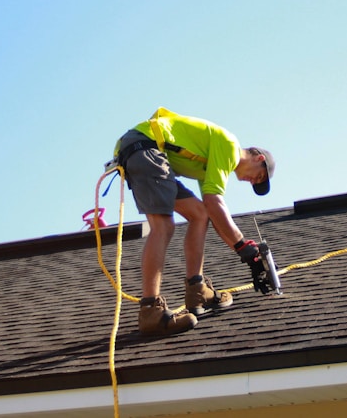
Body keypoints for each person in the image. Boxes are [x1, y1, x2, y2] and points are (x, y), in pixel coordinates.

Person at [113, 107, 276, 336]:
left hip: (147, 152)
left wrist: (243, 249)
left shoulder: (211, 163)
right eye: (258, 176)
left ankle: (197, 289)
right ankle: (150, 311)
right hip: (145, 148)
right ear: (259, 158)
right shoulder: (229, 146)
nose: (252, 181)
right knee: (163, 225)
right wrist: (243, 247)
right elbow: (216, 202)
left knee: (199, 214)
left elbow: (211, 209)